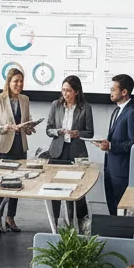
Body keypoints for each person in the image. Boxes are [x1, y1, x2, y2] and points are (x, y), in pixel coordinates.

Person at [0, 68, 34, 234]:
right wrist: (7, 127)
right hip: (2, 147)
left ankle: (10, 217)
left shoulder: (25, 99)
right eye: (16, 81)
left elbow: (26, 122)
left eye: (21, 81)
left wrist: (29, 127)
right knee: (1, 183)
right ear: (8, 82)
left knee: (16, 184)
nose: (19, 84)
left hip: (19, 146)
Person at [45, 74, 94, 225]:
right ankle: (54, 221)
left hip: (76, 152)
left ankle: (78, 222)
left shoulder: (85, 108)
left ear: (76, 92)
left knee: (76, 188)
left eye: (68, 91)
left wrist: (77, 133)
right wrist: (57, 131)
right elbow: (48, 129)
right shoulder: (56, 105)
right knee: (55, 187)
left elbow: (90, 132)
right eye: (63, 90)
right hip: (57, 151)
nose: (65, 94)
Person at [96, 73, 134, 215]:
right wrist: (106, 144)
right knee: (112, 208)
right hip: (110, 168)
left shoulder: (133, 113)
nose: (110, 92)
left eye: (113, 89)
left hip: (122, 172)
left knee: (121, 210)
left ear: (124, 92)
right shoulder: (117, 110)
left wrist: (110, 146)